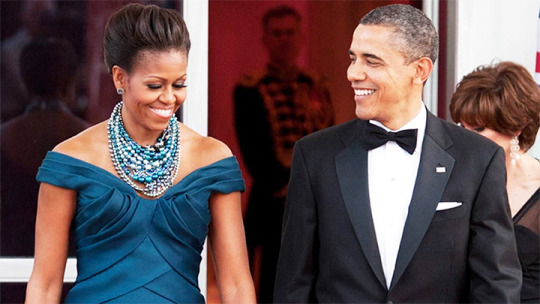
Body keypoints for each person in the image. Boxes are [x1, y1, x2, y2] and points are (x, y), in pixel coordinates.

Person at [274, 4, 522, 303]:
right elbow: (294, 284)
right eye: (353, 58)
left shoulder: (478, 159)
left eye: (372, 61)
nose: (353, 73)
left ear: (420, 70)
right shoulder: (315, 156)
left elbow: (496, 283)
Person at [25, 4, 255, 303]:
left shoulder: (212, 159)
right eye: (155, 85)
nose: (170, 98)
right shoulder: (72, 160)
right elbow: (44, 284)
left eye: (179, 84)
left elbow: (236, 284)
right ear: (120, 78)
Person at [233, 5, 334, 302]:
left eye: (290, 32)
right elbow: (253, 151)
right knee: (269, 283)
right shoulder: (250, 89)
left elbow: (330, 138)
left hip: (315, 200)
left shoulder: (316, 85)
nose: (284, 40)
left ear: (300, 36)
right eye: (277, 34)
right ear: (265, 39)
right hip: (272, 203)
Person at [0, 36, 87, 303]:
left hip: (13, 273)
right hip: (71, 275)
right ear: (70, 81)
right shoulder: (89, 141)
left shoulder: (3, 138)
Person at [450, 61, 540, 303]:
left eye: (478, 129)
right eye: (461, 126)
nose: (465, 138)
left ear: (517, 127)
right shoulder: (450, 180)